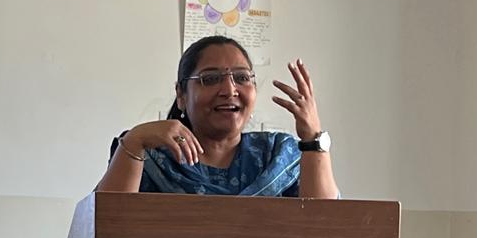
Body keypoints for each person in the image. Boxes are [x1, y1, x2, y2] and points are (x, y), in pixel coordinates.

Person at [95, 35, 339, 197]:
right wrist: (135, 140)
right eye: (210, 79)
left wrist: (313, 140)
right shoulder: (151, 156)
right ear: (181, 94)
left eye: (242, 77)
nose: (230, 90)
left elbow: (329, 227)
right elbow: (104, 226)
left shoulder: (278, 155)